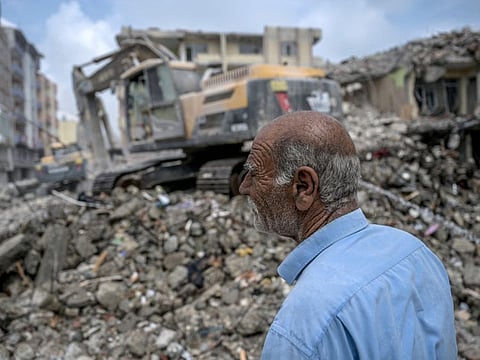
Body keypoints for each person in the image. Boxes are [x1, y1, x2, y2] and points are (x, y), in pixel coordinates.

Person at [239, 111, 457, 359]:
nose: (243, 187)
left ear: (303, 187)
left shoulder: (301, 327)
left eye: (255, 175)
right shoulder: (415, 252)